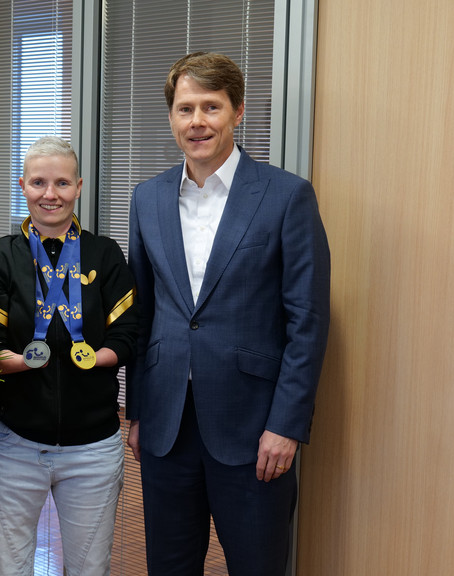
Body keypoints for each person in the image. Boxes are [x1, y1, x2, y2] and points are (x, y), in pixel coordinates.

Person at [126, 52, 330, 575]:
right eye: (185, 108)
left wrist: (286, 425)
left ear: (237, 111)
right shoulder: (147, 199)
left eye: (210, 107)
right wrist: (139, 411)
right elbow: (143, 314)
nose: (197, 121)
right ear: (171, 117)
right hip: (167, 427)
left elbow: (307, 322)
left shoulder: (286, 196)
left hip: (255, 431)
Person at [0, 136, 137, 576]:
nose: (51, 194)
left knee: (89, 569)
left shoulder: (104, 253)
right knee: (9, 569)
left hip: (93, 450)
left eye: (62, 183)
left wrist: (95, 357)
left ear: (78, 186)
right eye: (39, 182)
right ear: (22, 185)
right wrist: (22, 362)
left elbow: (128, 334)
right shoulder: (3, 256)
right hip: (16, 446)